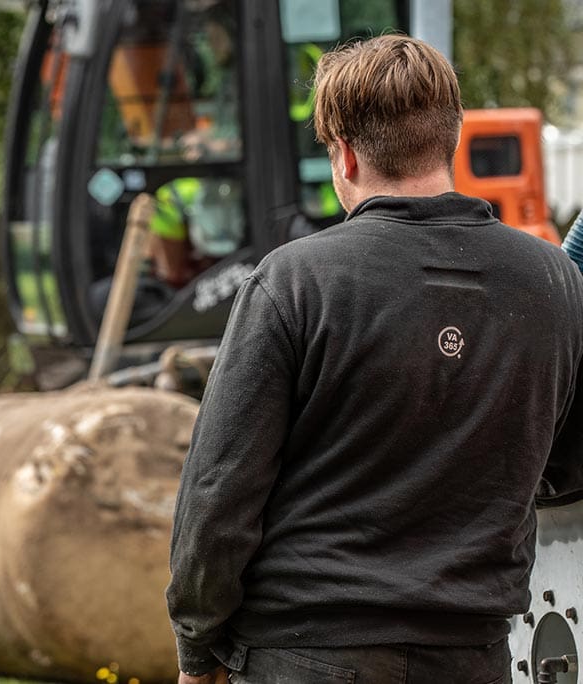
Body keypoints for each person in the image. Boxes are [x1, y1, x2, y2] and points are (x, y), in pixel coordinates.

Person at [165, 34, 583, 684]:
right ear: (450, 138)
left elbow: (220, 493)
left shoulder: (294, 282)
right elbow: (567, 467)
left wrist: (198, 649)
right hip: (473, 656)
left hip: (308, 654)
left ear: (347, 155)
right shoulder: (554, 281)